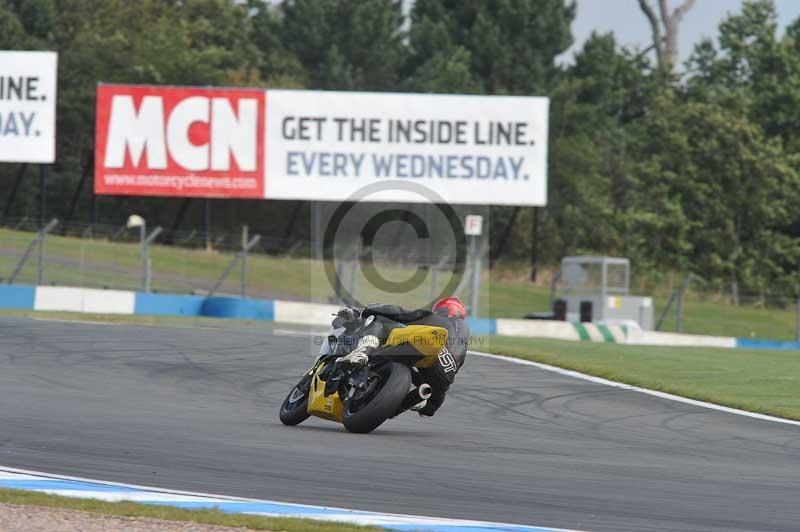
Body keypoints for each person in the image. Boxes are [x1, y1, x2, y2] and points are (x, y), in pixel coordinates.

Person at [336, 297, 469, 417]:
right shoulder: (463, 341)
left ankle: (362, 352)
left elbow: (402, 314)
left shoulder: (439, 319)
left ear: (444, 310)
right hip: (443, 377)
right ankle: (407, 402)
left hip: (429, 347)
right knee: (430, 407)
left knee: (381, 320)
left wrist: (365, 310)